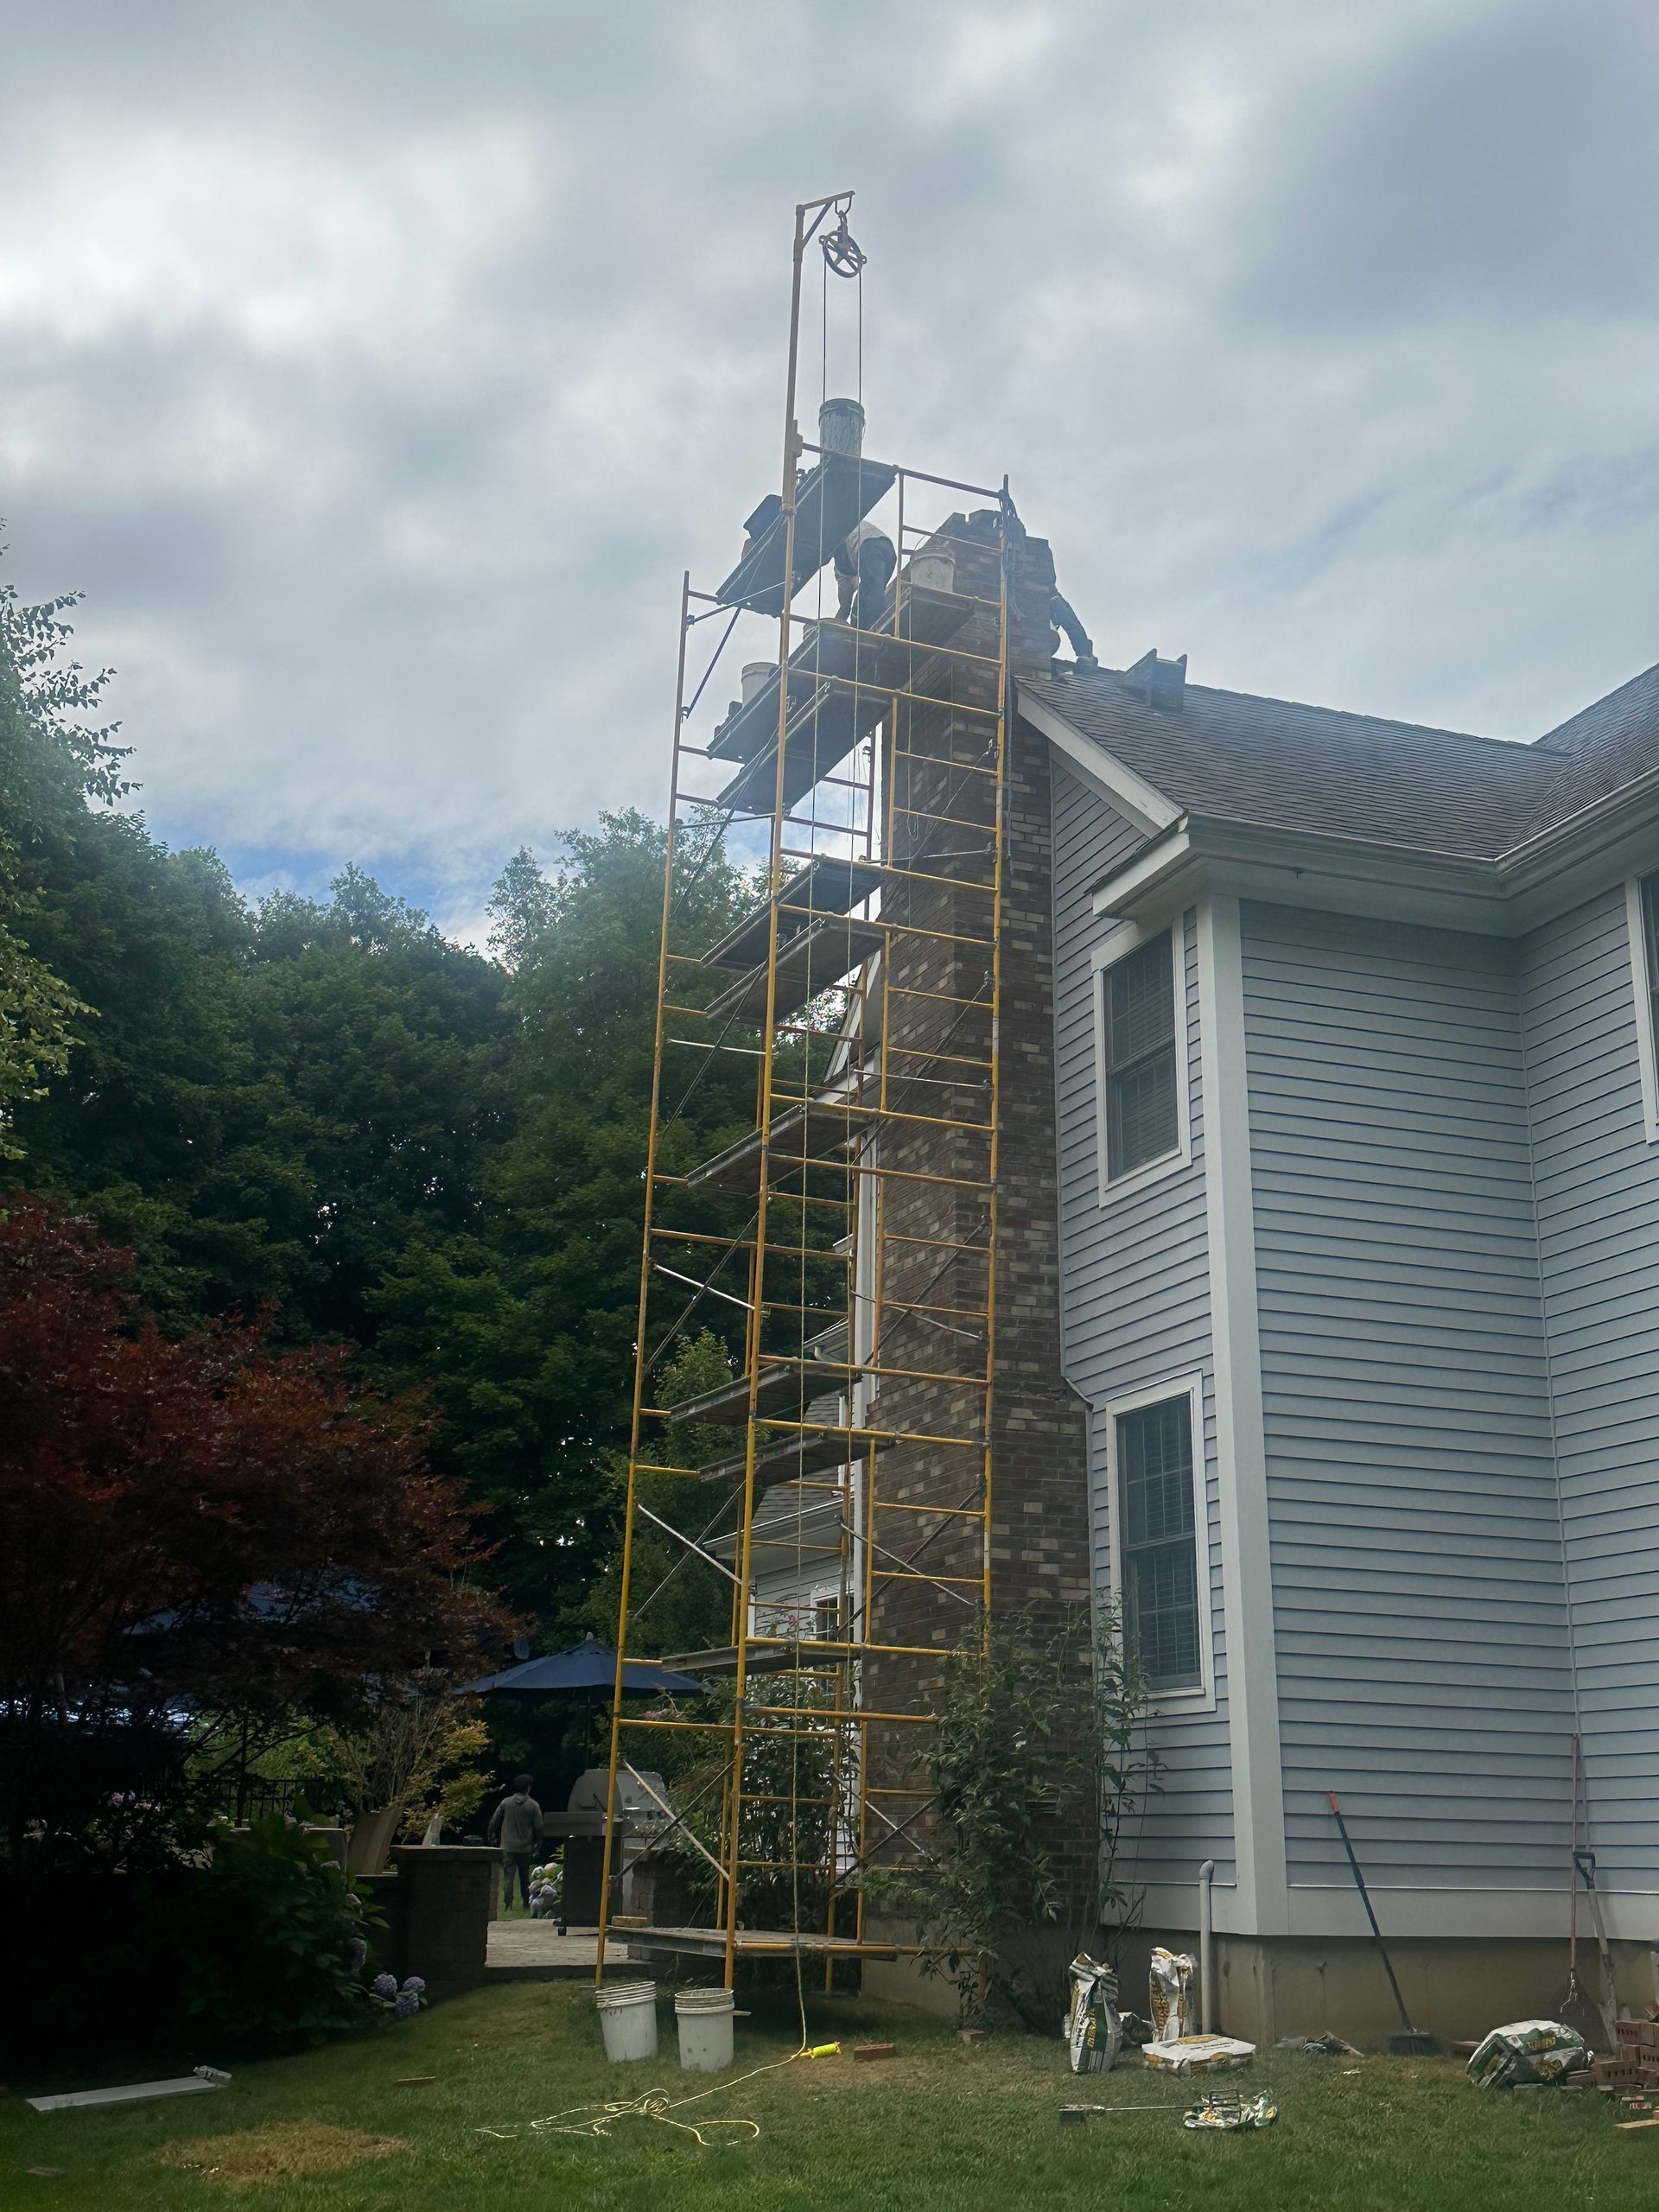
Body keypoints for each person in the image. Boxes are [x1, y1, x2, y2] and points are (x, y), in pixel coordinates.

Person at [487, 1773, 543, 1910]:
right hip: (525, 1847)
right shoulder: (533, 1805)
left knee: (508, 1876)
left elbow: (494, 1821)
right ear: (528, 1788)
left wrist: (491, 1835)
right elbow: (539, 1827)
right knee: (524, 1877)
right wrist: (538, 1844)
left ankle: (508, 1903)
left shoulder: (506, 1803)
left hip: (507, 1846)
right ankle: (526, 1901)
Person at [834, 518, 896, 630]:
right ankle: (865, 629)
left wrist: (836, 625)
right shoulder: (850, 567)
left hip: (868, 545)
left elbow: (844, 607)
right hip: (888, 549)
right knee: (867, 595)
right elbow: (846, 605)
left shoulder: (841, 567)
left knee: (871, 591)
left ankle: (874, 628)